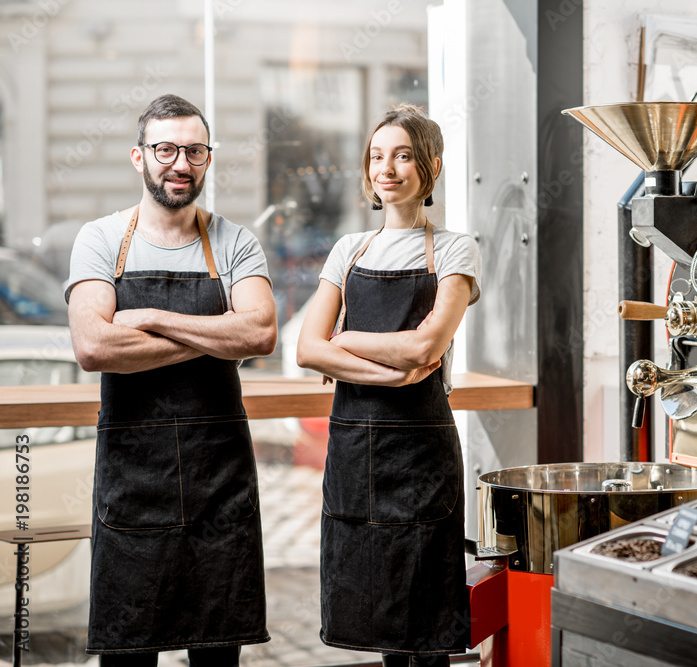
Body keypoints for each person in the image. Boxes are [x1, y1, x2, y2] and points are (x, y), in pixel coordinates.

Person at [66, 94, 275, 666]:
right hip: (134, 487)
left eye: (195, 150)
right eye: (165, 149)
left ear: (209, 159)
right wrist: (214, 335)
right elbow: (93, 345)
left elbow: (259, 335)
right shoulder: (101, 240)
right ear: (139, 157)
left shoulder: (234, 241)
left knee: (216, 657)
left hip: (219, 487)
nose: (180, 163)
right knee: (128, 655)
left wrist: (153, 319)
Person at [297, 104, 481, 667]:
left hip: (421, 455)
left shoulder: (454, 248)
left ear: (431, 165)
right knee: (375, 612)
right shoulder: (348, 249)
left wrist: (344, 342)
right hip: (355, 455)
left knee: (426, 620)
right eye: (377, 156)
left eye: (403, 155)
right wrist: (391, 368)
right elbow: (307, 347)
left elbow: (427, 348)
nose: (388, 168)